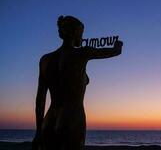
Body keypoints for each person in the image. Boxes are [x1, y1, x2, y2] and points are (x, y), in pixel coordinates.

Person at [32, 16, 123, 150]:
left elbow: (40, 99)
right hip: (72, 119)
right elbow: (115, 51)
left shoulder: (45, 60)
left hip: (49, 120)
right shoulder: (82, 53)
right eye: (81, 33)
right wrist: (118, 44)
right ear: (75, 33)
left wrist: (38, 131)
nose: (82, 36)